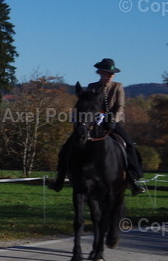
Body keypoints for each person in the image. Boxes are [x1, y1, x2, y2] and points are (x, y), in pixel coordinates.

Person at [51, 58, 145, 194]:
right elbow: (87, 105)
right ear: (100, 73)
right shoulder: (92, 86)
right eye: (107, 73)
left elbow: (120, 106)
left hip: (111, 122)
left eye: (112, 74)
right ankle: (59, 178)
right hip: (92, 122)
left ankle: (133, 178)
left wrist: (112, 119)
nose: (110, 76)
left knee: (129, 145)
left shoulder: (118, 87)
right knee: (67, 146)